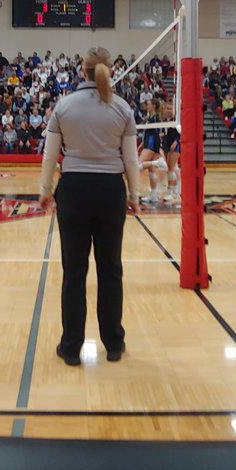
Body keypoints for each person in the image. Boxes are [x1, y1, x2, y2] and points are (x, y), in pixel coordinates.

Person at [37, 46, 139, 367]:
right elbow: (131, 160)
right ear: (110, 69)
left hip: (74, 190)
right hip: (110, 190)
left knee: (74, 272)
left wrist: (45, 189)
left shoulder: (64, 106)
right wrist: (134, 194)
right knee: (111, 269)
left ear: (82, 71)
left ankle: (71, 348)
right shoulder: (122, 108)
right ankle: (113, 344)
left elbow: (50, 155)